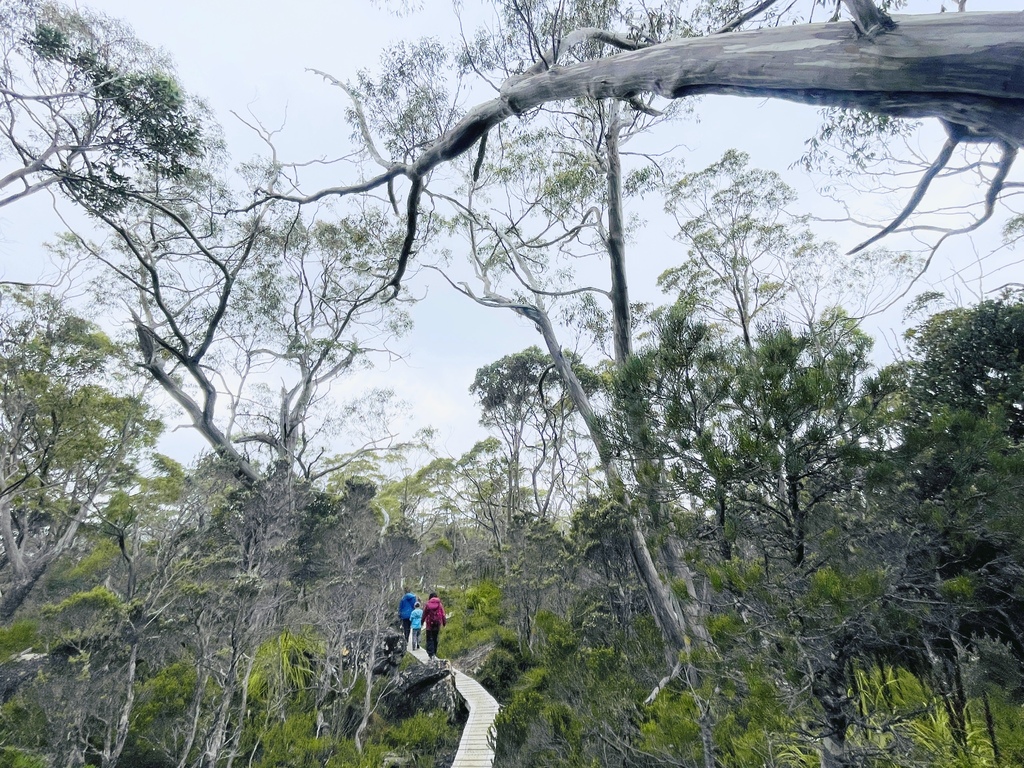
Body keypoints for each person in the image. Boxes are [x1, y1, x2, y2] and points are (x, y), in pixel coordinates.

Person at [422, 592, 447, 659]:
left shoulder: (427, 604)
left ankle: (431, 654)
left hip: (429, 625)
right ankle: (434, 653)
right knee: (435, 638)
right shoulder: (440, 604)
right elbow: (443, 614)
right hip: (437, 624)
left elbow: (424, 614)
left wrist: (421, 622)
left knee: (430, 639)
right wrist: (444, 623)